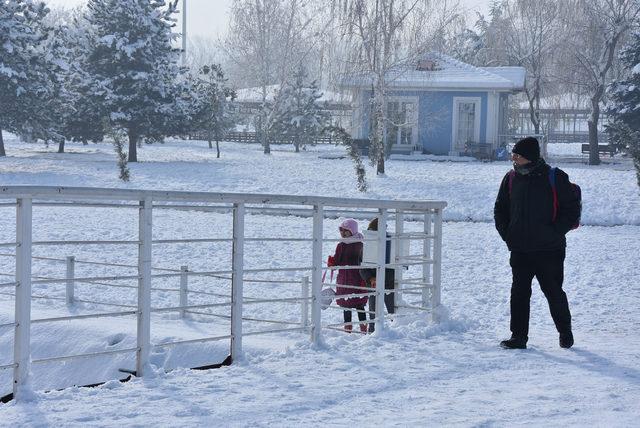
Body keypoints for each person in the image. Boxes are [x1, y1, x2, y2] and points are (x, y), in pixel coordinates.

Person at [494, 137, 580, 349]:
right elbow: (500, 209)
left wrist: (554, 233)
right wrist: (508, 234)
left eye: (517, 155)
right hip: (520, 249)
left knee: (553, 292)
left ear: (529, 157)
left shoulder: (555, 177)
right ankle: (518, 337)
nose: (513, 158)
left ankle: (565, 331)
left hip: (549, 250)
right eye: (513, 154)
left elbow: (571, 210)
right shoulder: (511, 178)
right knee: (519, 294)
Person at [329, 218, 368, 333]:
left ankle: (363, 327)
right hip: (345, 279)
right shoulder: (342, 245)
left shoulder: (358, 245)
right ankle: (349, 327)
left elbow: (363, 261)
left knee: (359, 304)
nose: (343, 233)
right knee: (347, 304)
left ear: (353, 231)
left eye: (346, 231)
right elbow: (337, 261)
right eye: (341, 230)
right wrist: (332, 262)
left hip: (355, 278)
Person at [359, 217, 395, 333]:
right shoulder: (366, 247)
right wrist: (370, 278)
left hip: (388, 284)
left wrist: (378, 278)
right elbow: (362, 266)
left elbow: (393, 265)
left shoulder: (390, 245)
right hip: (374, 284)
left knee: (392, 310)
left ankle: (394, 329)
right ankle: (373, 331)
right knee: (373, 311)